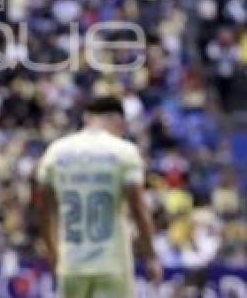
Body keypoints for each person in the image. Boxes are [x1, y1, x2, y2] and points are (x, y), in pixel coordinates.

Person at [36, 96, 164, 297]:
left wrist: (53, 255)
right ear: (118, 121)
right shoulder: (124, 152)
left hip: (71, 264)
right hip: (111, 263)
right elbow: (138, 209)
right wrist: (151, 256)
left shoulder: (55, 152)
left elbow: (43, 211)